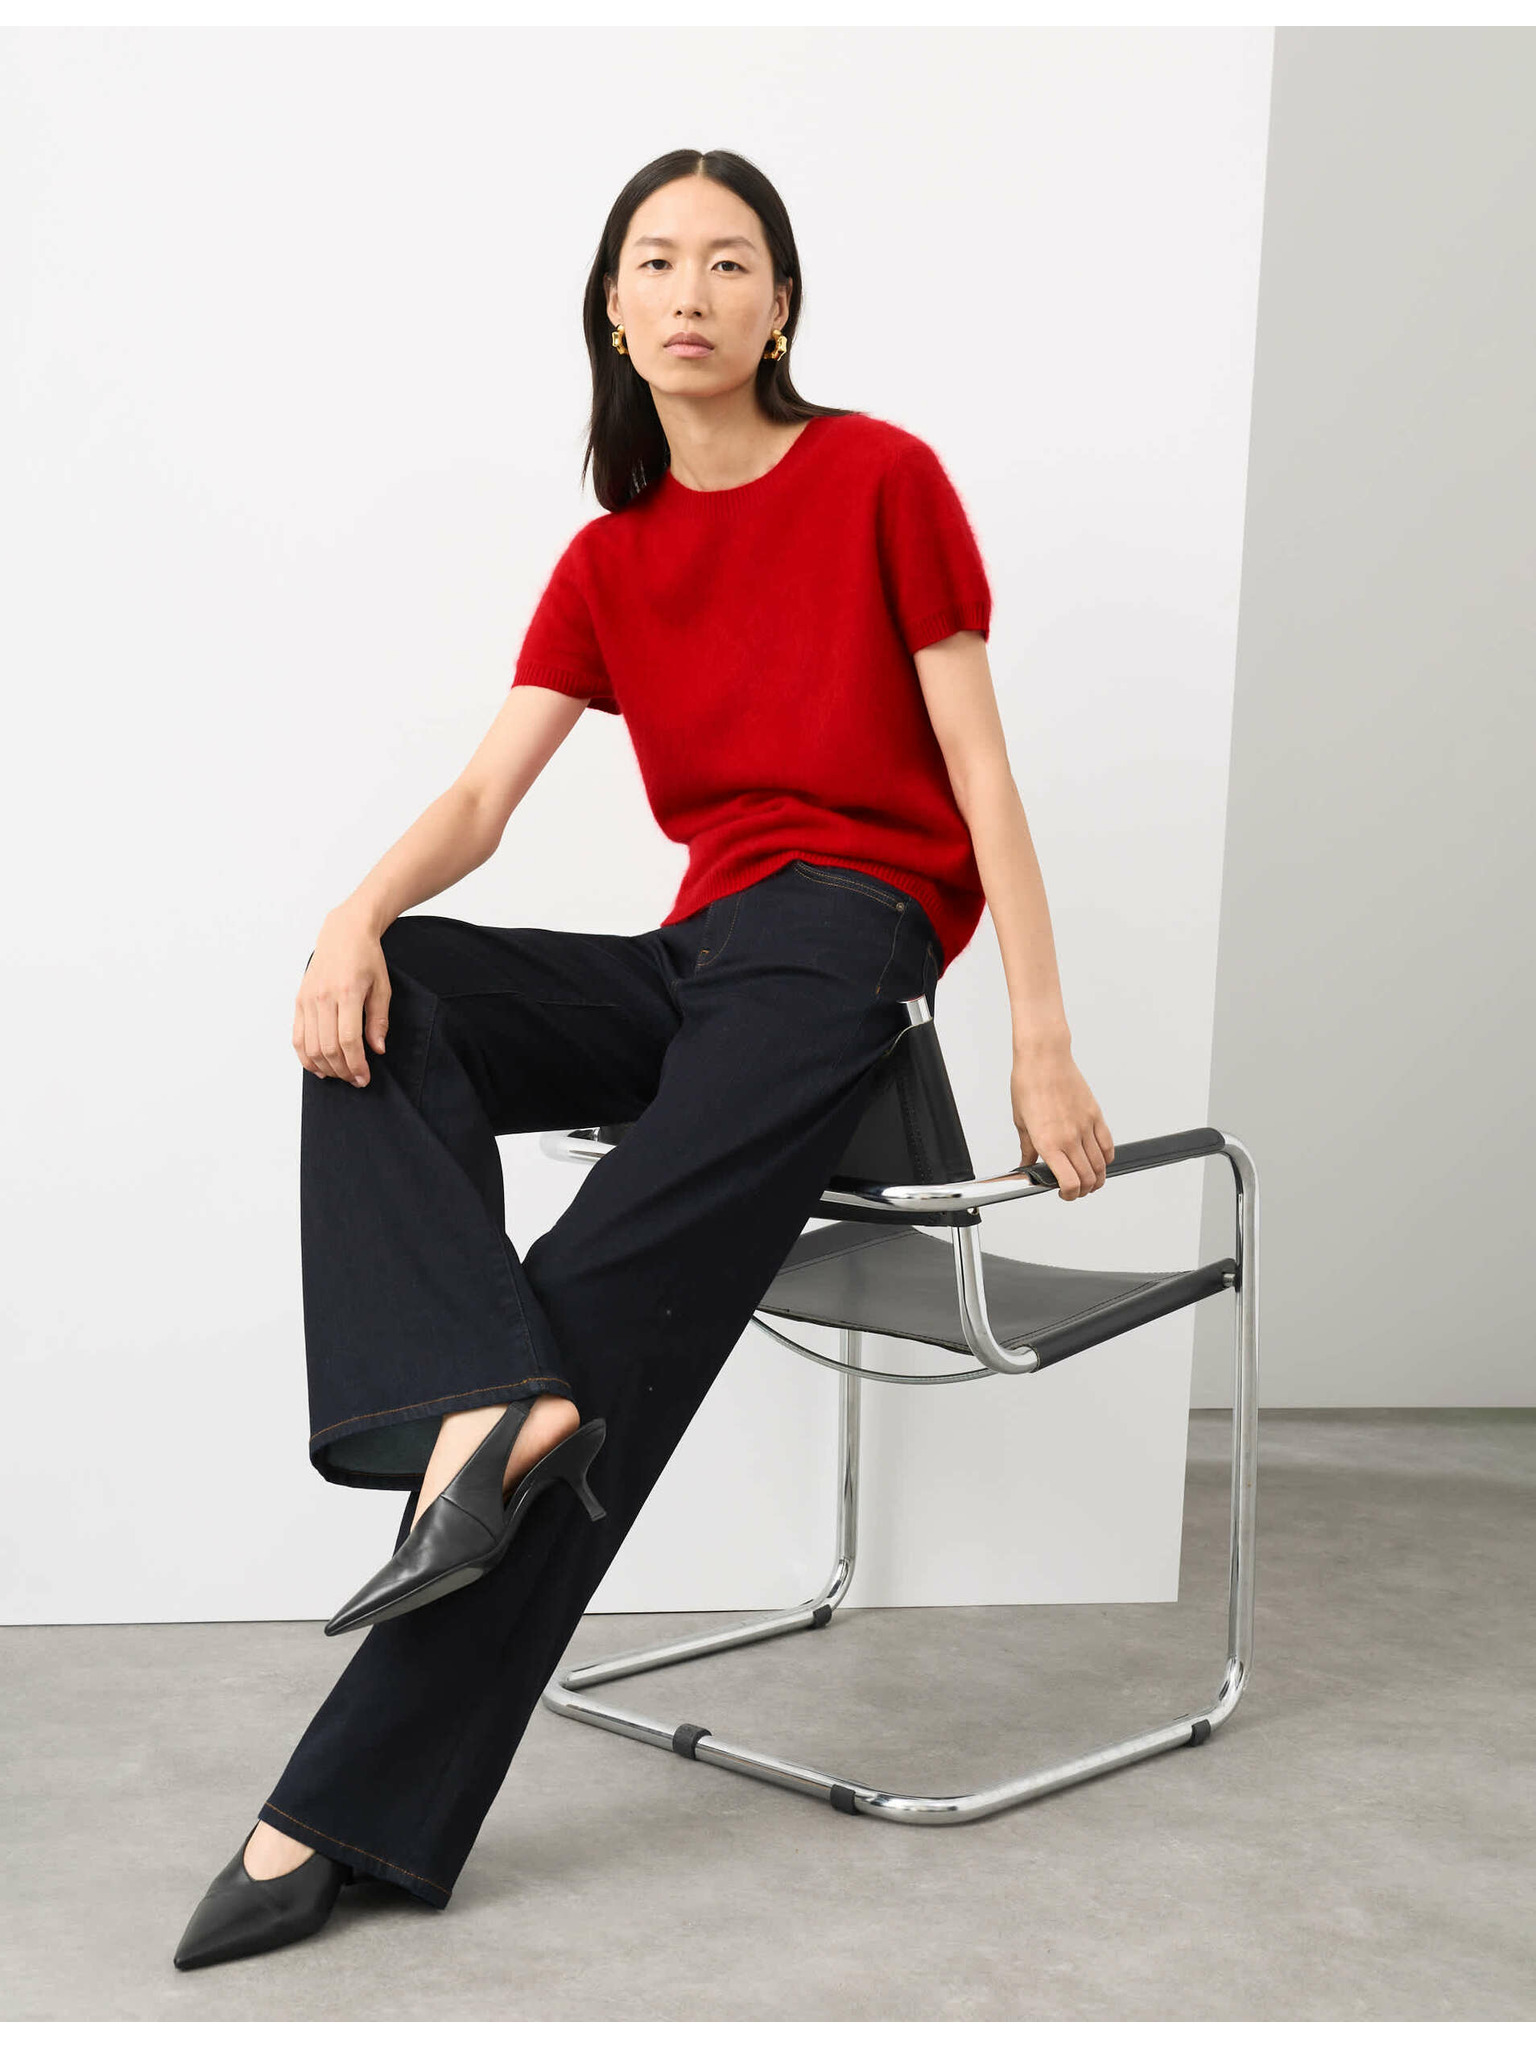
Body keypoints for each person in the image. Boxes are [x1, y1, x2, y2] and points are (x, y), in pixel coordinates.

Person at [173, 147, 1114, 1971]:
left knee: (594, 1315)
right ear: (613, 309)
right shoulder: (611, 558)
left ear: (783, 304)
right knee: (396, 999)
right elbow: (483, 797)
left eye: (730, 261)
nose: (692, 291)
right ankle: (483, 1396)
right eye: (657, 261)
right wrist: (352, 917)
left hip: (847, 944)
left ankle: (333, 1803)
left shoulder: (882, 478)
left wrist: (1043, 1043)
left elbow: (982, 771)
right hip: (701, 955)